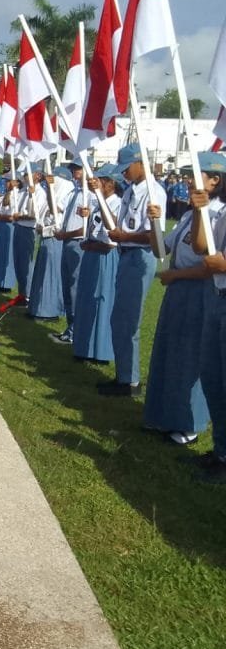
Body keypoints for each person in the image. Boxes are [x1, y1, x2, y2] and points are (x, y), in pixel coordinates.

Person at [143, 152, 226, 444]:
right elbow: (161, 250)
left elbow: (209, 264)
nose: (189, 181)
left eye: (196, 175)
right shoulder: (190, 215)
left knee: (192, 357)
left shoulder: (217, 214)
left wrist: (176, 276)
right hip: (178, 289)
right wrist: (154, 223)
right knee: (170, 352)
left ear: (215, 181)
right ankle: (165, 416)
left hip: (199, 291)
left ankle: (189, 423)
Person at [99, 143, 167, 397]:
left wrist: (124, 236)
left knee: (128, 320)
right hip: (126, 254)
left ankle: (130, 381)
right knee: (120, 318)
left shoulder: (153, 192)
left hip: (139, 256)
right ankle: (124, 375)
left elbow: (153, 235)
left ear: (141, 163)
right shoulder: (131, 190)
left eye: (127, 167)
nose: (124, 173)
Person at [191, 153, 226, 479]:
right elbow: (201, 246)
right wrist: (198, 210)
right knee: (212, 377)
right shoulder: (222, 212)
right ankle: (221, 451)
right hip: (217, 297)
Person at [72, 165, 122, 364]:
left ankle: (100, 351)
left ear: (110, 183)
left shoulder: (117, 203)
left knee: (102, 300)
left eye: (99, 180)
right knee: (86, 299)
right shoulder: (97, 202)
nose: (95, 183)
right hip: (91, 253)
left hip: (104, 256)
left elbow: (112, 236)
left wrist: (93, 245)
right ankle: (84, 347)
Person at [26, 167, 70, 320]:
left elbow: (58, 219)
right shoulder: (53, 195)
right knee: (42, 273)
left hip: (54, 239)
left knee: (50, 275)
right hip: (46, 238)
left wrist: (45, 228)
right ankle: (38, 307)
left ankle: (49, 311)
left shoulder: (64, 195)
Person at [50, 160, 87, 344]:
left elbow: (86, 228)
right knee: (67, 287)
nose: (74, 172)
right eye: (73, 169)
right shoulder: (74, 192)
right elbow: (56, 208)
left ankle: (75, 330)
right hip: (67, 241)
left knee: (75, 287)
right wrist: (49, 190)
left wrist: (66, 234)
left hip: (78, 243)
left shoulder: (89, 195)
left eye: (77, 169)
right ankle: (70, 327)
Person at [10, 164, 38, 305]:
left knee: (27, 263)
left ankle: (28, 295)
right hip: (19, 227)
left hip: (28, 229)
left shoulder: (39, 192)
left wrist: (19, 217)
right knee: (19, 263)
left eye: (28, 174)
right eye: (25, 174)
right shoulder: (22, 191)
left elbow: (35, 215)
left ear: (37, 175)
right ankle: (22, 293)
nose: (25, 177)